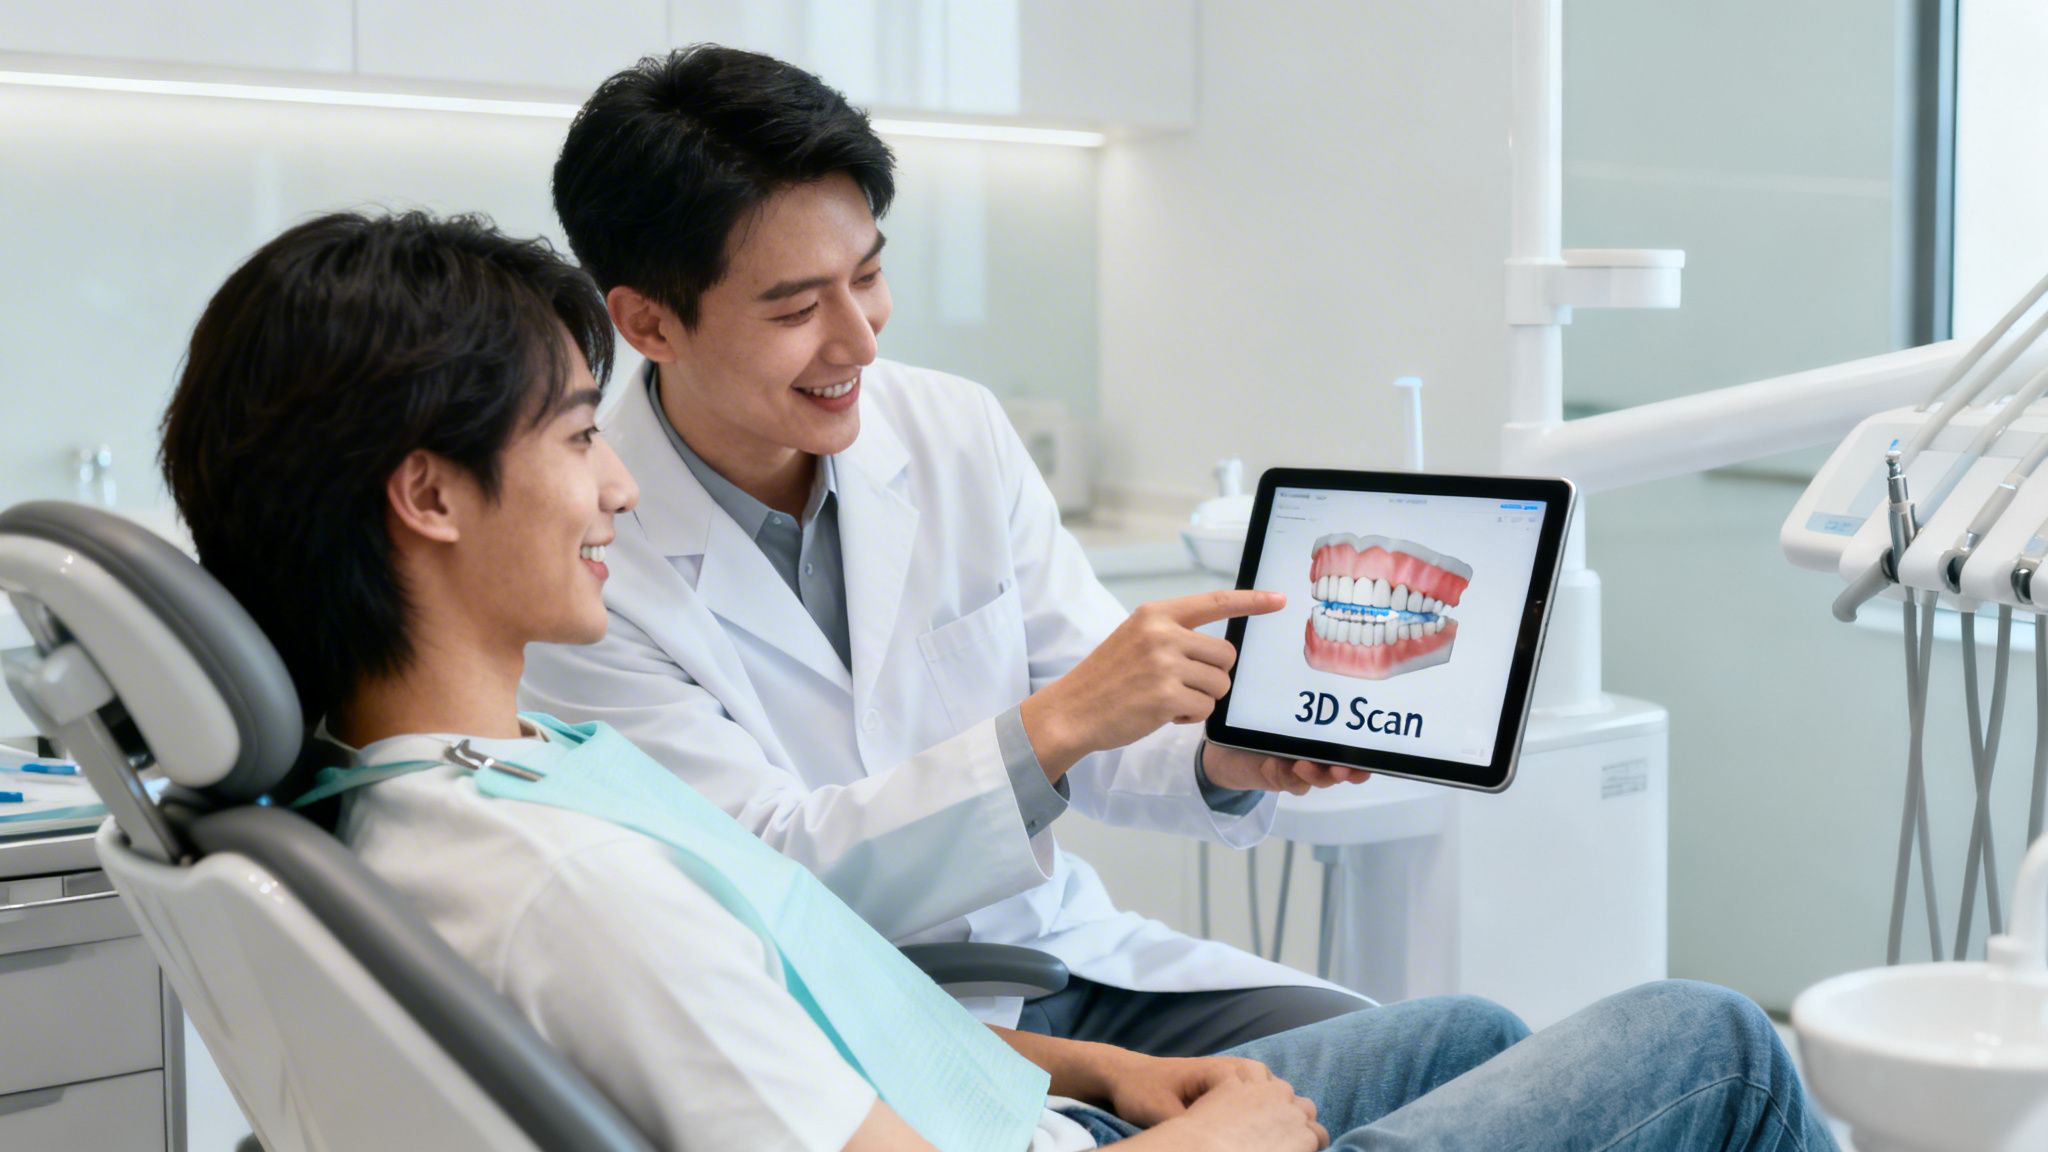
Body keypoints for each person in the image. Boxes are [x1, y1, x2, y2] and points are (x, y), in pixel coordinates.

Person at [159, 207, 1837, 1152]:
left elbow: (795, 990)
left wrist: (1106, 1074)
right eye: (580, 437)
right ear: (429, 492)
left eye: (864, 281)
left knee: (1461, 1027)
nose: (613, 491)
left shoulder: (472, 775)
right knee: (1704, 1044)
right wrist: (1227, 1138)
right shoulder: (560, 880)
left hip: (1025, 1088)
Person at [525, 44, 1367, 1055]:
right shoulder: (584, 560)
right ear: (647, 322)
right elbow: (762, 867)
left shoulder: (950, 430)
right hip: (849, 1025)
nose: (859, 341)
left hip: (1060, 955)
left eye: (868, 275)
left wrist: (1221, 758)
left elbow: (1096, 701)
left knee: (1418, 1040)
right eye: (796, 309)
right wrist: (1051, 727)